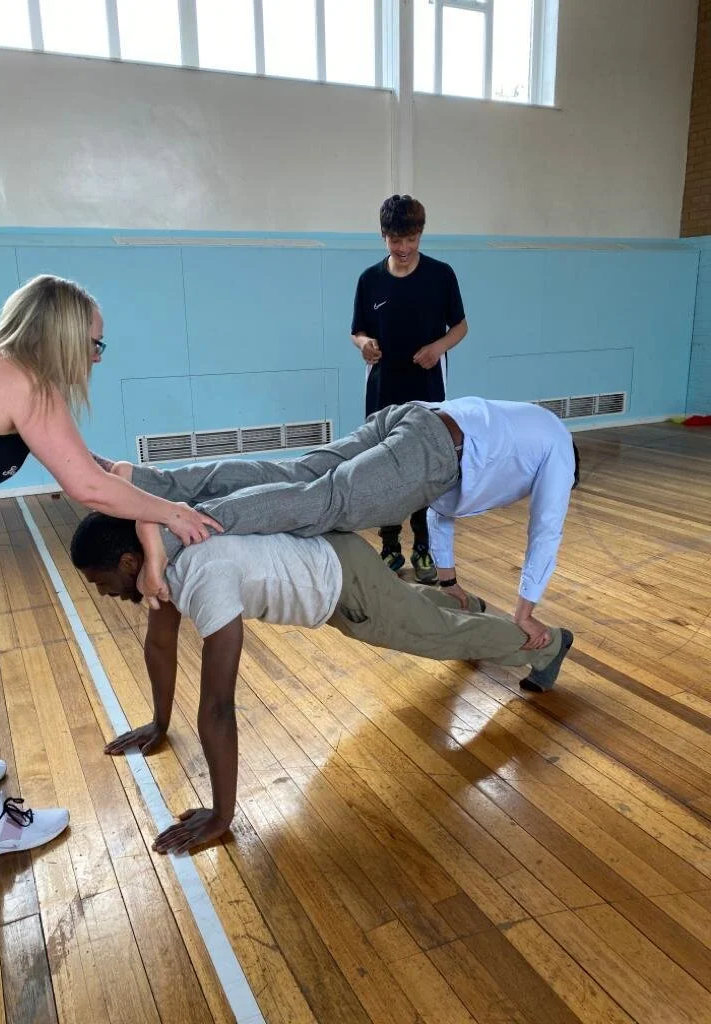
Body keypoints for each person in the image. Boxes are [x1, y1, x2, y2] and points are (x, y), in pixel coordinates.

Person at [70, 512, 574, 853]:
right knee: (418, 615)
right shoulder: (168, 552)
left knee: (435, 636)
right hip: (332, 559)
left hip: (342, 589)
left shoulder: (202, 577)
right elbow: (160, 643)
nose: (104, 592)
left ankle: (549, 645)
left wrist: (222, 816)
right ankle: (469, 608)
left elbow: (219, 707)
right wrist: (158, 723)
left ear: (130, 562)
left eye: (100, 581)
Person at [0, 275, 218, 862]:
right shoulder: (25, 381)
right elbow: (89, 488)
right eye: (95, 343)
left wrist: (109, 468)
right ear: (63, 337)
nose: (96, 356)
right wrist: (170, 512)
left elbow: (80, 463)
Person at [114, 396, 575, 650]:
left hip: (411, 418)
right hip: (433, 450)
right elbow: (546, 530)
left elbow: (441, 503)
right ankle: (172, 533)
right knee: (319, 502)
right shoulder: (557, 451)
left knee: (293, 474)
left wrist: (449, 580)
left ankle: (144, 480)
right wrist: (524, 613)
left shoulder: (528, 424)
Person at [351, 195, 468, 583]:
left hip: (427, 387)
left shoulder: (441, 275)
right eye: (395, 240)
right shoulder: (369, 280)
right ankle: (389, 547)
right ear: (383, 236)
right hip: (384, 387)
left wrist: (438, 348)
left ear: (420, 234)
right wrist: (363, 344)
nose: (403, 249)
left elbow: (461, 328)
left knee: (424, 466)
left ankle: (423, 546)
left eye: (411, 239)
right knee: (384, 466)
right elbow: (357, 331)